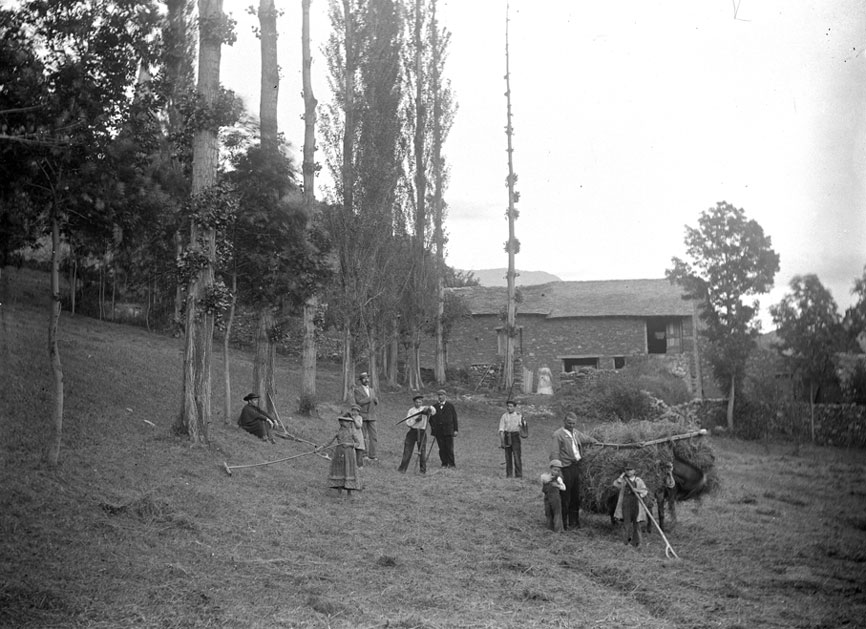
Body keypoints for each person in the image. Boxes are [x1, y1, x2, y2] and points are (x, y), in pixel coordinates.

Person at [550, 411, 599, 530]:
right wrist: (557, 471)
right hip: (565, 467)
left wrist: (595, 441)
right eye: (569, 423)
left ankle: (575, 523)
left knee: (575, 496)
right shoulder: (558, 435)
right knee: (565, 496)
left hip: (575, 467)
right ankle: (563, 524)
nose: (571, 425)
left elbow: (585, 438)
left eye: (573, 423)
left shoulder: (575, 433)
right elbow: (555, 453)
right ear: (564, 421)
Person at [323, 413, 362, 498]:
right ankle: (339, 491)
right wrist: (321, 447)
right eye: (343, 421)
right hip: (339, 453)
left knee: (348, 470)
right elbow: (329, 441)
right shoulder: (338, 432)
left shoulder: (352, 432)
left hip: (349, 454)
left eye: (346, 421)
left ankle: (349, 492)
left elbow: (358, 443)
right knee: (339, 470)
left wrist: (349, 444)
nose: (344, 423)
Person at [613, 462, 649, 547]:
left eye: (630, 470)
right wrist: (621, 477)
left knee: (637, 523)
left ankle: (637, 542)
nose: (629, 472)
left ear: (634, 471)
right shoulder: (623, 480)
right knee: (626, 523)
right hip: (626, 504)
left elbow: (645, 491)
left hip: (636, 503)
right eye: (627, 470)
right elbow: (615, 484)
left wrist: (637, 490)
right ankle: (626, 541)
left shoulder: (638, 480)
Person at [397, 394, 435, 474]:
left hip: (422, 432)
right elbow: (408, 423)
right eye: (417, 402)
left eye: (420, 402)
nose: (418, 404)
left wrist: (428, 408)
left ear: (422, 402)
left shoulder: (425, 409)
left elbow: (434, 411)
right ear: (414, 402)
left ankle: (422, 470)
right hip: (412, 432)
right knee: (407, 451)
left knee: (422, 451)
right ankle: (402, 469)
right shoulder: (411, 411)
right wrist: (415, 420)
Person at [353, 372, 379, 461]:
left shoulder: (372, 390)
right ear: (360, 380)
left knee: (374, 436)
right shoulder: (357, 390)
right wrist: (369, 399)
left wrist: (376, 400)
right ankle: (364, 454)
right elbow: (359, 402)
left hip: (372, 416)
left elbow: (375, 400)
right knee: (363, 436)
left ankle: (373, 455)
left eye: (367, 378)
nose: (366, 380)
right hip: (363, 416)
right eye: (364, 378)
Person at [431, 389, 458, 468]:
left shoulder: (450, 406)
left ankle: (452, 464)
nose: (440, 397)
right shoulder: (434, 407)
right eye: (439, 395)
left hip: (449, 430)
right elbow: (431, 419)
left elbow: (454, 418)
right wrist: (434, 427)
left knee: (449, 448)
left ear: (445, 396)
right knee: (441, 448)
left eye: (442, 395)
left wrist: (455, 430)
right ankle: (444, 463)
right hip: (439, 431)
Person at [498, 400, 526, 478]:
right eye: (508, 406)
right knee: (508, 457)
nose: (509, 408)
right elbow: (501, 430)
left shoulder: (518, 416)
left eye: (511, 406)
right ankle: (509, 475)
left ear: (514, 407)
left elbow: (523, 427)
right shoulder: (504, 416)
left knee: (517, 456)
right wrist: (502, 441)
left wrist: (523, 421)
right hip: (507, 436)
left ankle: (518, 475)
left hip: (515, 436)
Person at [540, 459, 566, 532]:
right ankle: (549, 527)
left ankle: (558, 529)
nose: (556, 472)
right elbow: (543, 481)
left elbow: (564, 488)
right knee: (548, 512)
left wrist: (557, 486)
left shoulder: (558, 478)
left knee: (557, 512)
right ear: (550, 468)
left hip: (555, 497)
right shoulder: (546, 476)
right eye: (554, 470)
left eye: (558, 471)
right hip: (547, 496)